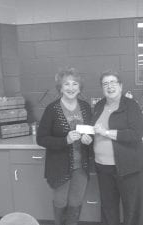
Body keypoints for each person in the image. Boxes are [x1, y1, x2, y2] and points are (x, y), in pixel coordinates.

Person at [36, 68, 93, 225]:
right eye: (66, 84)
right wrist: (64, 141)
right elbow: (41, 139)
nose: (71, 87)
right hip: (59, 167)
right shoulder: (52, 109)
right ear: (60, 88)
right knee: (60, 202)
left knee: (76, 202)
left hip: (81, 166)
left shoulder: (86, 107)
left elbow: (91, 132)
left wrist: (89, 140)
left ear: (79, 87)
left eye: (75, 84)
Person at [92, 70, 143, 225]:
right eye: (105, 83)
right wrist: (87, 135)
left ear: (121, 86)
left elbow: (136, 133)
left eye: (113, 82)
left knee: (132, 208)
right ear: (102, 88)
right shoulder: (99, 105)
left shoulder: (131, 106)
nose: (109, 86)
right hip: (103, 166)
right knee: (108, 208)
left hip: (128, 166)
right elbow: (94, 129)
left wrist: (107, 133)